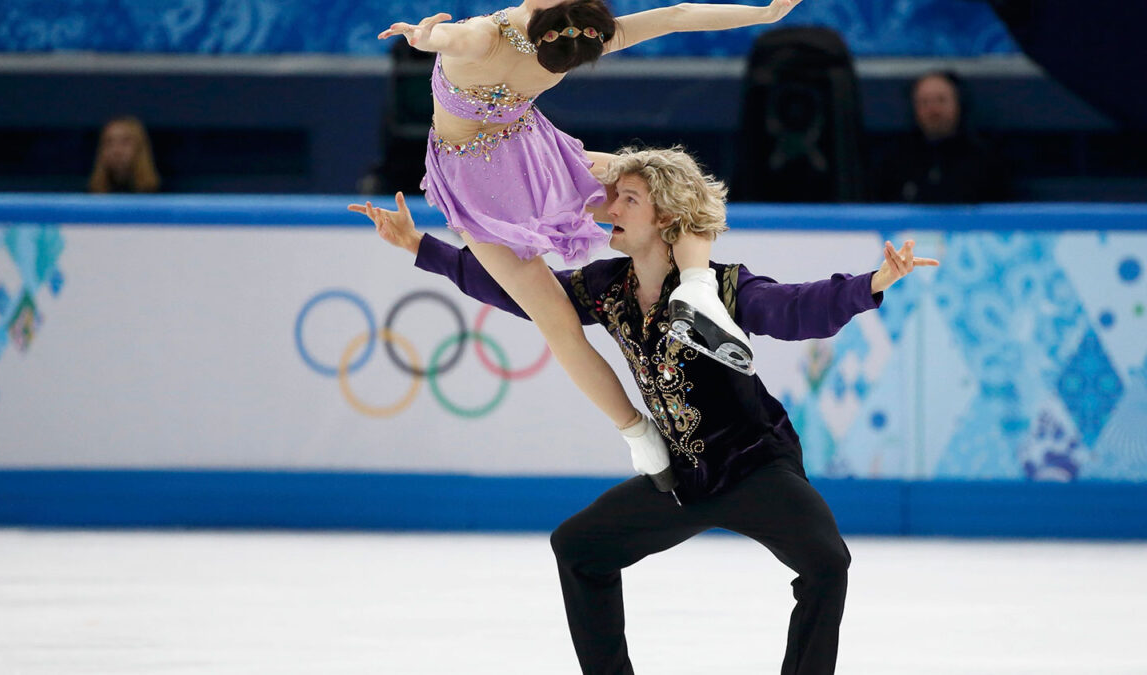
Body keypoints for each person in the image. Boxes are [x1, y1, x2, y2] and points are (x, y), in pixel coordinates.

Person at [351, 146, 939, 674]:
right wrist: (420, 247)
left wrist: (872, 283)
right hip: (678, 476)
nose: (610, 206)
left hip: (755, 466)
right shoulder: (608, 285)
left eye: (629, 198)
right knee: (579, 549)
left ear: (666, 218)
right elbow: (523, 293)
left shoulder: (723, 288)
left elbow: (794, 310)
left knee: (826, 565)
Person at [378, 0, 804, 491]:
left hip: (501, 169)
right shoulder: (534, 34)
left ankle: (657, 384)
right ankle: (677, 333)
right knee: (668, 201)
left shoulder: (521, 33)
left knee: (571, 306)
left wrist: (428, 40)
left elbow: (458, 39)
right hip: (508, 173)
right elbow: (675, 16)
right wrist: (765, 15)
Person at [873, 70, 1012, 203]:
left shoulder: (985, 160)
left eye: (941, 100)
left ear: (958, 104)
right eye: (924, 102)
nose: (933, 110)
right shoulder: (896, 161)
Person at [88, 115, 161, 194]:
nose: (117, 151)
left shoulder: (161, 194)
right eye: (109, 142)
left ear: (140, 148)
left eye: (125, 142)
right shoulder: (86, 195)